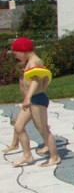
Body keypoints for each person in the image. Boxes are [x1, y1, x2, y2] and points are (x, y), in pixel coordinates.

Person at [10, 37, 60, 167]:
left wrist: (28, 97)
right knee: (18, 126)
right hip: (32, 99)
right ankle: (27, 156)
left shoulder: (35, 62)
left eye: (16, 52)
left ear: (24, 51)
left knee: (43, 129)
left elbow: (36, 80)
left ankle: (54, 156)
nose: (15, 55)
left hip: (37, 99)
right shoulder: (30, 62)